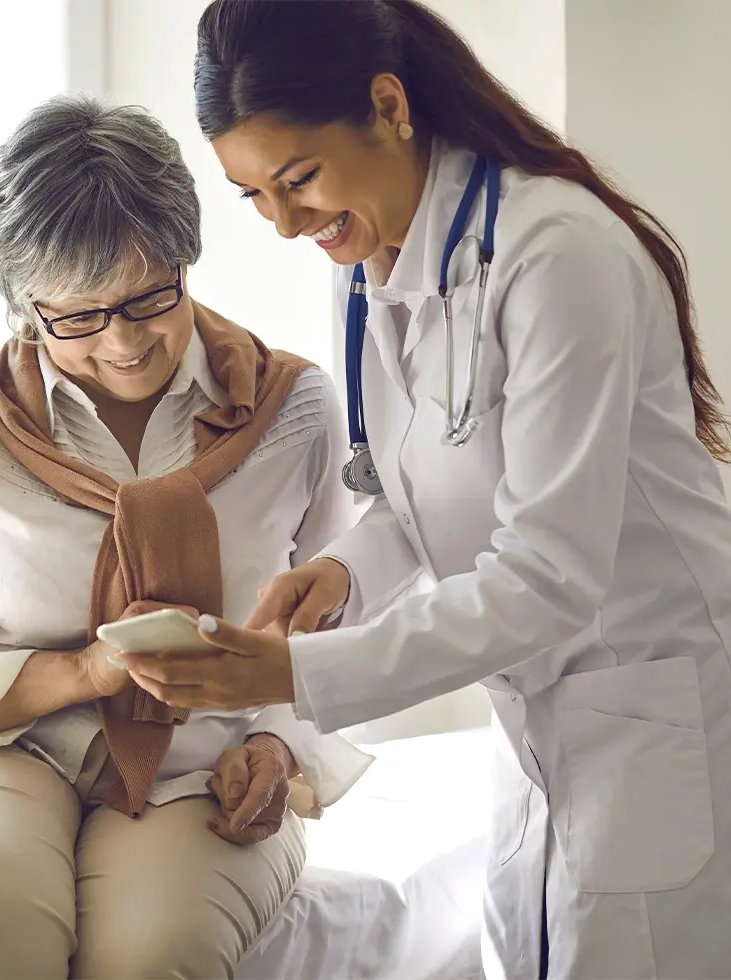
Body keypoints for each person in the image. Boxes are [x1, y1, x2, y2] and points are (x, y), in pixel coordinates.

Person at [118, 2, 731, 977]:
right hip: (536, 713)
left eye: (298, 179)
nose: (282, 224)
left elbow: (545, 575)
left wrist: (288, 677)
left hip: (650, 693)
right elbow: (417, 490)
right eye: (252, 197)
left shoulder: (554, 252)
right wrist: (341, 572)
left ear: (388, 103)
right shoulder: (366, 268)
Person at [0, 94, 371, 980]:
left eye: (149, 298)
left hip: (208, 762)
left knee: (154, 954)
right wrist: (77, 676)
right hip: (0, 750)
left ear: (186, 261)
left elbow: (349, 621)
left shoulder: (295, 409)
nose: (124, 343)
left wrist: (279, 744)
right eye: (77, 316)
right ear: (23, 306)